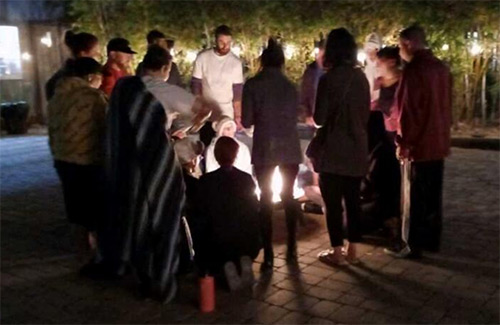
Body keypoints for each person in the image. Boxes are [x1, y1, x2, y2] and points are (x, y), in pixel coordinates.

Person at [103, 73, 185, 302]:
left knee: (139, 229)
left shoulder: (117, 115)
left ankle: (148, 279)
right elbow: (158, 151)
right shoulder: (145, 109)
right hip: (153, 181)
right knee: (160, 231)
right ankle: (163, 283)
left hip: (133, 184)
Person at [385, 25, 452, 259]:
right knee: (433, 195)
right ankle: (432, 240)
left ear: (408, 44)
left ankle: (413, 245)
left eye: (401, 46)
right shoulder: (441, 69)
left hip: (419, 145)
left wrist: (403, 142)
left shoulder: (414, 71)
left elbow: (408, 111)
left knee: (414, 198)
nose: (400, 52)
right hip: (439, 142)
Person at [242, 38, 304, 271]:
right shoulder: (290, 86)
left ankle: (268, 254)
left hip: (265, 146)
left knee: (265, 199)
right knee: (288, 196)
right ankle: (292, 248)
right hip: (290, 146)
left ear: (262, 61)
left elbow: (247, 120)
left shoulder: (253, 85)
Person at [314, 28, 370, 266]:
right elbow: (366, 113)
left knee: (333, 202)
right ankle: (353, 250)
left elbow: (319, 117)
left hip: (334, 149)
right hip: (357, 147)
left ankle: (337, 252)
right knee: (354, 200)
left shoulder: (328, 79)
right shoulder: (362, 78)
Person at [47, 57, 107, 269]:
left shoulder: (57, 95)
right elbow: (105, 127)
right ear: (91, 77)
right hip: (88, 160)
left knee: (75, 208)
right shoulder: (92, 97)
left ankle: (82, 253)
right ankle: (99, 254)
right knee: (96, 209)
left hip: (62, 159)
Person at [197, 136, 261, 290]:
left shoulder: (207, 181)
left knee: (207, 229)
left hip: (218, 236)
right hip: (244, 235)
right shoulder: (245, 178)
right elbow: (254, 206)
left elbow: (201, 210)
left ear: (216, 156)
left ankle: (226, 265)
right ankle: (243, 260)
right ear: (235, 155)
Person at [141, 45, 221, 134]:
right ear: (164, 68)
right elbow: (205, 109)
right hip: (151, 143)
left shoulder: (126, 85)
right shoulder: (168, 91)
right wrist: (193, 125)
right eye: (169, 70)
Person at [191, 25, 244, 145]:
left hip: (226, 115)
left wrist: (238, 115)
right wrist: (198, 107)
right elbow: (195, 84)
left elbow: (237, 93)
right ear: (215, 41)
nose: (225, 46)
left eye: (228, 42)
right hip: (207, 114)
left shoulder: (235, 63)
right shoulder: (203, 58)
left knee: (226, 147)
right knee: (206, 145)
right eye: (222, 42)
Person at [45, 31, 99, 101]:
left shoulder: (60, 75)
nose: (98, 55)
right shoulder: (70, 78)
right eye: (95, 52)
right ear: (83, 54)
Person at [372, 46, 402, 142]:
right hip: (382, 131)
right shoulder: (378, 82)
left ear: (392, 62)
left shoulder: (404, 81)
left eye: (379, 63)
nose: (377, 66)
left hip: (399, 131)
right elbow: (374, 103)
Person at [300, 39, 326, 126]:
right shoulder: (310, 72)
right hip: (312, 118)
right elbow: (304, 95)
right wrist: (306, 115)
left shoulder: (333, 73)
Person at [363, 32, 382, 101]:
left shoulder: (381, 67)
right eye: (367, 49)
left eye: (370, 49)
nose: (368, 52)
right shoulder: (367, 68)